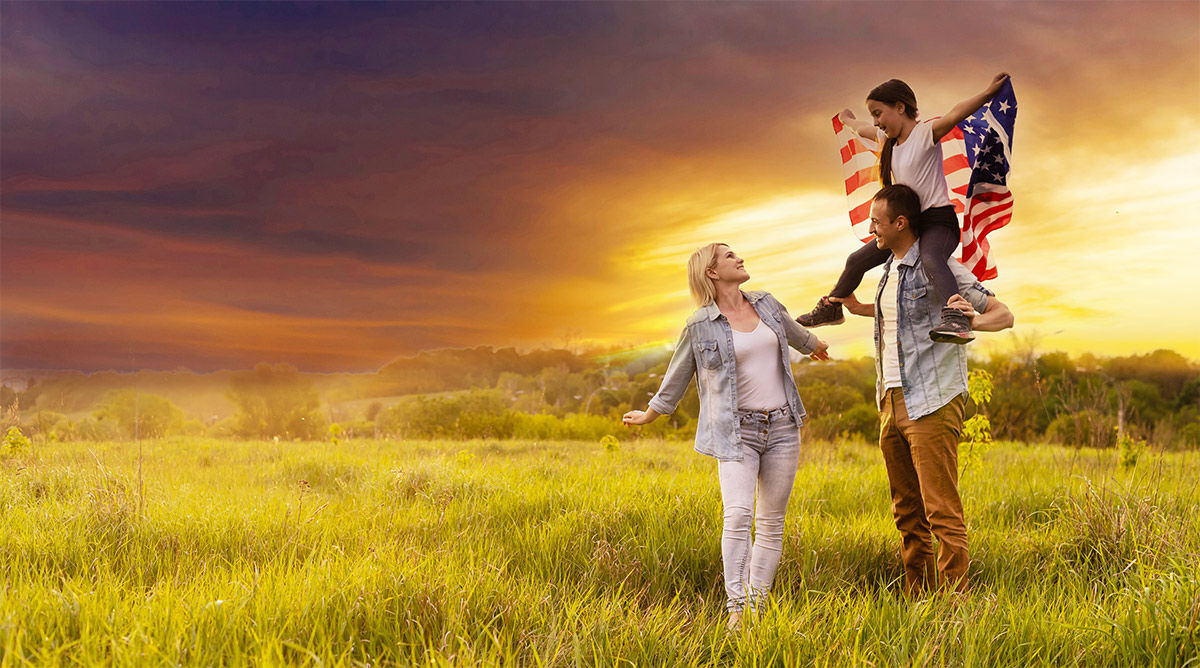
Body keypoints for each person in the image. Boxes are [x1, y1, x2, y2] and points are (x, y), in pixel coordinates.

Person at [621, 243, 829, 630]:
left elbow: (794, 331)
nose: (740, 258)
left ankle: (757, 608)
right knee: (737, 516)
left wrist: (815, 345)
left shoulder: (766, 303)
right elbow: (678, 376)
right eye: (729, 256)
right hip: (736, 431)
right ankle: (736, 611)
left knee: (771, 523)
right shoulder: (699, 324)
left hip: (783, 427)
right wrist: (651, 413)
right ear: (712, 272)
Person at [837, 184, 1013, 596]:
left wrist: (971, 322)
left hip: (932, 401)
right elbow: (900, 320)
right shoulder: (886, 272)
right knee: (907, 512)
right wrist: (860, 308)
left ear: (901, 223)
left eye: (876, 222)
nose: (870, 229)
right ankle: (919, 598)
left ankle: (953, 609)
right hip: (890, 400)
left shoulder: (944, 270)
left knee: (941, 511)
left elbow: (1003, 316)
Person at [797, 73, 1010, 344]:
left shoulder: (924, 134)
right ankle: (833, 306)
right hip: (907, 225)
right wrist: (847, 120)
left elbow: (956, 113)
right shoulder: (888, 143)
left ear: (900, 107)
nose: (876, 121)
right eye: (873, 115)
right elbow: (861, 128)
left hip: (938, 222)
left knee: (931, 257)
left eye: (878, 113)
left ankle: (955, 317)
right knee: (856, 260)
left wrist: (988, 92)